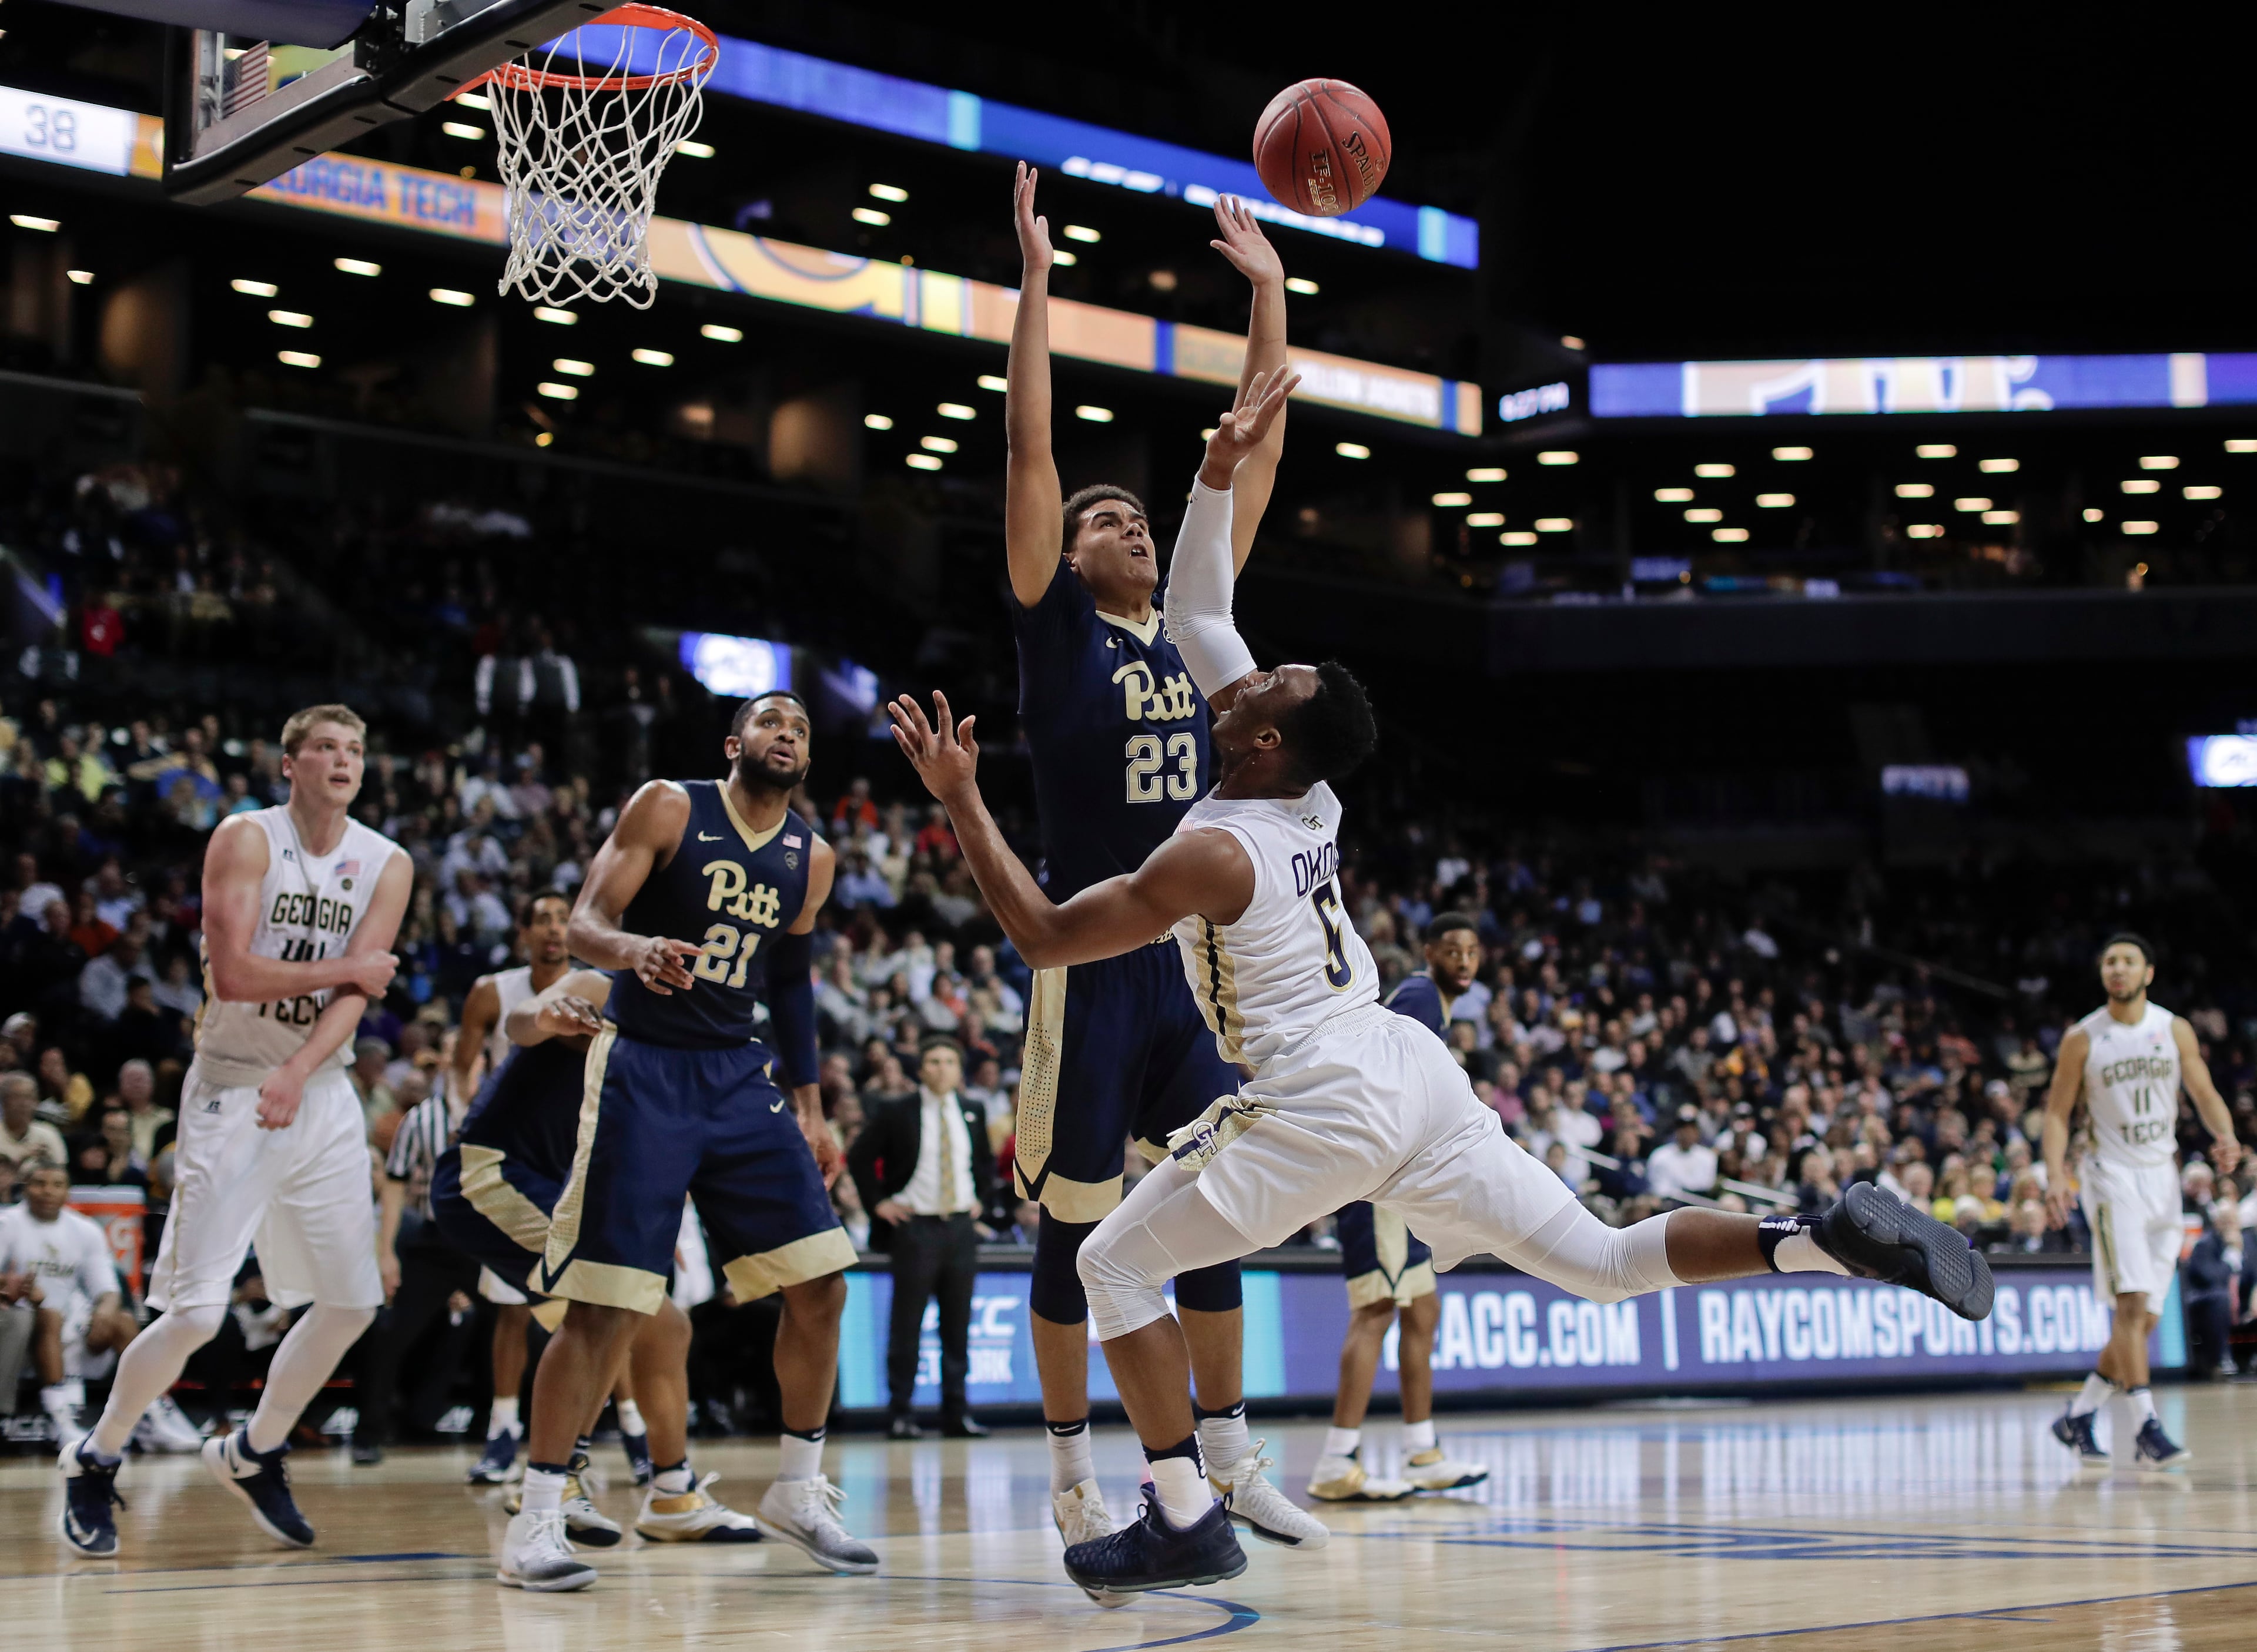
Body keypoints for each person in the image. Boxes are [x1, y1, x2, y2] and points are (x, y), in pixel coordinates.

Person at [886, 369, 1994, 1597]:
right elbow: (1204, 596)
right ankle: (1817, 1242)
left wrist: (962, 799)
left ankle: (1183, 1508)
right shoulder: (1310, 788)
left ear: (1258, 737)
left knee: (1112, 1265)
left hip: (1323, 1090)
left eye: (1256, 685)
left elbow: (1042, 934)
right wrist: (1215, 466)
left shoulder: (1211, 846)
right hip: (1410, 1072)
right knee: (1606, 1260)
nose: (1236, 675)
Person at [1002, 162, 1318, 1557]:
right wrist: (1032, 289)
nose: (1122, 522)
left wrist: (1268, 292)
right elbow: (1027, 459)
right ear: (1068, 560)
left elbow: (1246, 455)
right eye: (1100, 518)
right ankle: (1073, 1469)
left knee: (1216, 1205)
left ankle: (1232, 1453)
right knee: (1072, 1235)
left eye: (1134, 515)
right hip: (1092, 957)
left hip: (1189, 963)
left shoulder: (1200, 637)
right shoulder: (1059, 635)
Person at [523, 688, 871, 1589]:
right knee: (609, 1303)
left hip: (738, 1073)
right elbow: (588, 925)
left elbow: (790, 981)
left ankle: (798, 1486)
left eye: (799, 727)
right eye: (770, 722)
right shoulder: (669, 803)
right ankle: (535, 1515)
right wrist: (633, 950)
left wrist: (809, 1097)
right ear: (735, 742)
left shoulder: (812, 856)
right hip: (644, 1065)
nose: (786, 733)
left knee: (823, 1277)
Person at [58, 703, 410, 1559]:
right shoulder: (246, 838)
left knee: (354, 1301)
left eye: (355, 749)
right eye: (325, 746)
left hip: (318, 1089)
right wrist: (341, 976)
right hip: (232, 1086)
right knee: (196, 1312)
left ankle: (254, 1449)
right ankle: (95, 1455)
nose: (343, 759)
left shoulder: (387, 863)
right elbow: (238, 971)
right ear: (289, 763)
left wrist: (301, 1066)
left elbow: (360, 996)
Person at [433, 967, 765, 1592]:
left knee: (664, 1330)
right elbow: (519, 1021)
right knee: (621, 1318)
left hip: (569, 1191)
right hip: (493, 1172)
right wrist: (547, 1017)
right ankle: (554, 1491)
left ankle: (670, 1494)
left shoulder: (699, 1028)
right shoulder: (600, 985)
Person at [449, 890, 645, 1488]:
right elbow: (466, 1061)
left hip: (568, 1161)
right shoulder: (501, 990)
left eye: (565, 919)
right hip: (509, 1160)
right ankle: (511, 1434)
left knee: (612, 1310)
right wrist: (464, 1109)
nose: (556, 929)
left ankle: (615, 1436)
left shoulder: (610, 992)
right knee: (529, 1310)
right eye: (545, 920)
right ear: (526, 933)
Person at [2044, 934, 2240, 1470]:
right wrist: (2058, 1174)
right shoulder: (2083, 1037)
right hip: (2112, 1178)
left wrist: (2225, 1134)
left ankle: (2079, 1416)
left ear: (2148, 972)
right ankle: (2146, 1428)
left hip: (2163, 1178)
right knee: (2130, 1307)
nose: (2118, 969)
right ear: (2103, 973)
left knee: (2146, 1321)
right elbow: (2058, 1112)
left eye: (2128, 961)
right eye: (2110, 961)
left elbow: (2202, 1091)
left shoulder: (2171, 1027)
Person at [1311, 912, 1488, 1503]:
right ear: (1429, 950)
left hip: (1400, 1176)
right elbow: (1389, 1083)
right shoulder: (1417, 996)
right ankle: (1337, 1460)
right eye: (1453, 950)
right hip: (1380, 1174)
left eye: (1473, 951)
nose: (1464, 961)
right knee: (1378, 1309)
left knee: (1422, 1312)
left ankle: (1423, 1451)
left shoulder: (1432, 1001)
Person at [848, 1037, 997, 1440]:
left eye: (950, 1060)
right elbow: (859, 1156)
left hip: (961, 1228)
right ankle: (900, 1413)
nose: (942, 1067)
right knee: (907, 1326)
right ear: (921, 1069)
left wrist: (981, 1199)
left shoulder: (973, 1110)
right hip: (916, 1228)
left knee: (958, 1326)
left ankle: (957, 1412)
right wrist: (878, 1203)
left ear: (959, 1068)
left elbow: (984, 1163)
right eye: (934, 1060)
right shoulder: (897, 1111)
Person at [0, 1162, 196, 1449]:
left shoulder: (85, 1229)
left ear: (68, 1191)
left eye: (57, 1185)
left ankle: (149, 1410)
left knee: (123, 1320)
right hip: (26, 1328)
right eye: (39, 1183)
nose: (47, 1192)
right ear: (25, 1189)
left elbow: (108, 1290)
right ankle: (62, 1416)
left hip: (73, 1331)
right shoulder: (8, 1223)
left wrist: (105, 1311)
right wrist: (12, 1287)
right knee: (49, 1314)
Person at [2182, 1201, 2253, 1379]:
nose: (2230, 1225)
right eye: (2225, 1220)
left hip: (2242, 1303)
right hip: (2206, 1300)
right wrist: (2231, 1258)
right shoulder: (2205, 1244)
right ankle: (2220, 1358)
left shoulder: (2248, 1242)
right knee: (2221, 1298)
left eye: (2233, 1220)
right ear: (2216, 1222)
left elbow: (2253, 1274)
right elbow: (2211, 1278)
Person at [1, 1071, 67, 1171]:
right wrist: (20, 1161)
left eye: (29, 1097)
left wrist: (47, 1162)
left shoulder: (49, 1133)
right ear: (4, 1102)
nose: (23, 1104)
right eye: (16, 1097)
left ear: (36, 1102)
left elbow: (61, 1171)